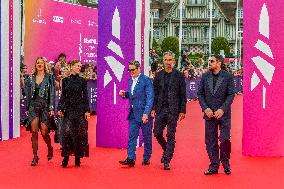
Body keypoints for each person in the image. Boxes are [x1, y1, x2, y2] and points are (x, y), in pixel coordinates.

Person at [197, 54, 235, 175]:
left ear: (219, 63)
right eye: (209, 61)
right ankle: (214, 165)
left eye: (212, 61)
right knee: (210, 141)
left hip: (224, 114)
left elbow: (231, 94)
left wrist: (222, 109)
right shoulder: (205, 76)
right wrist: (205, 108)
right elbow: (200, 94)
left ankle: (225, 163)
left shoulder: (228, 76)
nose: (209, 63)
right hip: (209, 114)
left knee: (224, 140)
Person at [151, 51, 187, 170]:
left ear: (174, 61)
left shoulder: (179, 76)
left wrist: (183, 110)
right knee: (157, 132)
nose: (168, 62)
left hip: (173, 110)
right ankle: (167, 149)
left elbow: (183, 94)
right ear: (163, 61)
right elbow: (155, 94)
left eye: (170, 60)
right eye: (166, 60)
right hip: (161, 109)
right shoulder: (158, 75)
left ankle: (167, 159)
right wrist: (153, 108)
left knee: (170, 135)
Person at [118, 60, 154, 167]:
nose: (131, 72)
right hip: (133, 113)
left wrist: (146, 113)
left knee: (147, 137)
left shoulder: (146, 80)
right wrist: (125, 94)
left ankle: (146, 158)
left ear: (139, 69)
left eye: (133, 70)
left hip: (144, 114)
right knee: (132, 136)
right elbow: (133, 95)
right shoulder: (130, 80)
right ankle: (130, 159)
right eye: (129, 70)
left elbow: (150, 97)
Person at [58, 60, 90, 167]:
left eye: (80, 66)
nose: (79, 68)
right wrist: (60, 108)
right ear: (71, 66)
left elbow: (85, 96)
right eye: (77, 66)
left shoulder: (82, 81)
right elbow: (63, 95)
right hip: (68, 110)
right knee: (66, 134)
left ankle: (77, 158)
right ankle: (66, 158)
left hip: (79, 110)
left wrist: (87, 110)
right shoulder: (65, 80)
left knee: (79, 135)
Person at [26, 57, 55, 166]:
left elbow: (52, 93)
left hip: (45, 106)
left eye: (41, 63)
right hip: (33, 106)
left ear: (44, 65)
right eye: (38, 63)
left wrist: (52, 108)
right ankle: (35, 156)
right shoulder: (31, 77)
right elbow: (28, 93)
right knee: (34, 132)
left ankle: (49, 147)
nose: (39, 65)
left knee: (44, 132)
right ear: (35, 65)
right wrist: (27, 108)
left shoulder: (49, 78)